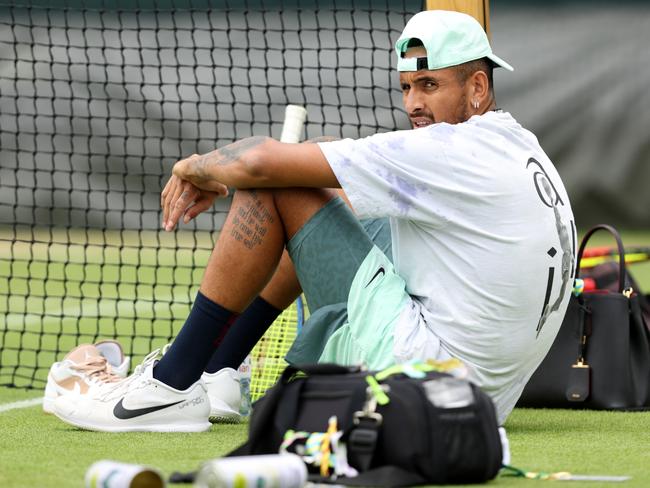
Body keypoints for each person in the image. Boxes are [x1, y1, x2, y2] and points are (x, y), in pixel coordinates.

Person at [52, 10, 575, 432]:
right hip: (482, 402)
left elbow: (260, 164)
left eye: (430, 85)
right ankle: (221, 372)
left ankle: (168, 387)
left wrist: (195, 166)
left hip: (417, 379)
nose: (414, 104)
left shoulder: (447, 151)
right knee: (329, 194)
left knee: (276, 186)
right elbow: (326, 160)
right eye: (406, 88)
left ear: (477, 87)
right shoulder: (515, 143)